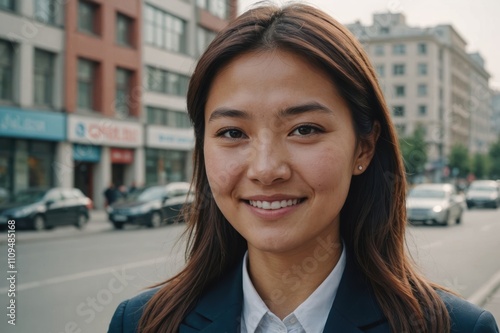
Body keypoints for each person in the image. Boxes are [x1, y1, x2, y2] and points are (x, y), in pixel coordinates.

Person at [109, 3, 499, 333]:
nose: (265, 169)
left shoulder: (454, 327)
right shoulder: (142, 323)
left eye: (304, 129)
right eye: (232, 132)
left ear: (363, 146)